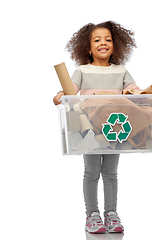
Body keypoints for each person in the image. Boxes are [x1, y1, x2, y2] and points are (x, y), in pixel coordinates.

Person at [53, 21, 140, 234]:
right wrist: (60, 94)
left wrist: (150, 92)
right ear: (88, 48)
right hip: (89, 129)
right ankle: (92, 215)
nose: (104, 43)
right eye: (97, 40)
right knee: (91, 172)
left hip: (115, 130)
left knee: (110, 172)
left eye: (108, 39)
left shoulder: (121, 71)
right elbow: (69, 91)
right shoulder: (82, 71)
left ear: (116, 45)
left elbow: (134, 91)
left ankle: (111, 213)